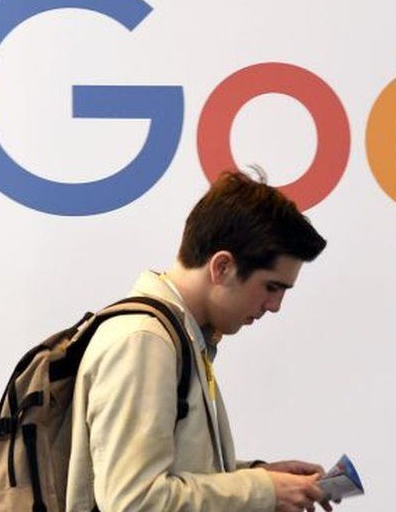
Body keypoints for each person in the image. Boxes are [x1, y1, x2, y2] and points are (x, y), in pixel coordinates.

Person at [66, 170, 335, 511]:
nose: (275, 306)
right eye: (271, 287)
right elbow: (134, 500)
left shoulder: (179, 338)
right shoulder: (145, 341)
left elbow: (173, 476)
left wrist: (261, 479)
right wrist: (262, 490)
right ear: (222, 267)